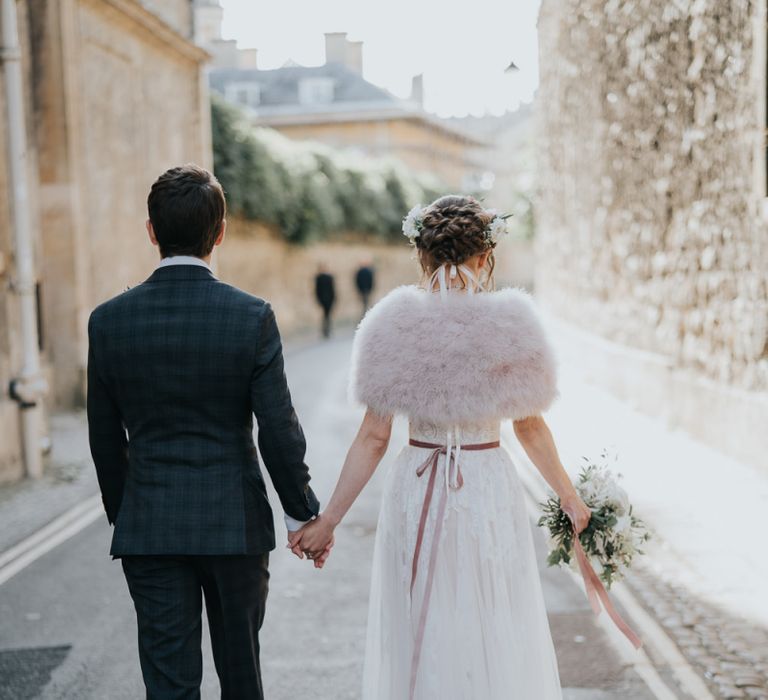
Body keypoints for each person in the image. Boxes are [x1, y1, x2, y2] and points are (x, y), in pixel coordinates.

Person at [290, 195, 591, 699]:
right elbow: (530, 427)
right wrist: (568, 495)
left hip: (416, 485)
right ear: (484, 257)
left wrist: (328, 521)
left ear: (423, 255)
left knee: (424, 619)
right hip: (488, 487)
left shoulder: (392, 322)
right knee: (491, 615)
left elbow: (374, 435)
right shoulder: (513, 321)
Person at [87, 164, 324, 700]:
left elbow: (104, 439)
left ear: (151, 231)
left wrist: (130, 515)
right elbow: (278, 429)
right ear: (220, 232)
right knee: (242, 678)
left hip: (149, 526)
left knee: (168, 686)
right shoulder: (250, 316)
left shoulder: (108, 321)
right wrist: (303, 513)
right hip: (234, 526)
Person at [314, 264, 336, 338]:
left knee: (328, 315)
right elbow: (317, 290)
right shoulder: (318, 278)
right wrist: (319, 300)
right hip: (323, 299)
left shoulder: (329, 277)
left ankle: (328, 330)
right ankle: (325, 330)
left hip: (329, 299)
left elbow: (332, 289)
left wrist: (334, 298)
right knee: (325, 315)